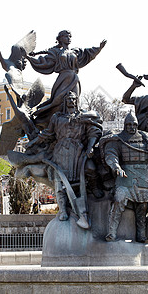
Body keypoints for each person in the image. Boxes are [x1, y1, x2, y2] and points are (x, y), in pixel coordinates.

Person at [27, 91, 102, 229]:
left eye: (73, 99)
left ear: (77, 101)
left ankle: (94, 190)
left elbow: (94, 130)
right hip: (61, 151)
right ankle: (62, 210)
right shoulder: (57, 117)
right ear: (65, 102)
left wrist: (90, 147)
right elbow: (48, 133)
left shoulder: (83, 116)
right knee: (59, 179)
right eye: (69, 99)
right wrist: (33, 142)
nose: (71, 101)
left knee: (90, 169)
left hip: (78, 151)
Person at [100, 112, 148, 243]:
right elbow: (111, 155)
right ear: (125, 125)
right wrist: (116, 167)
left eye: (134, 124)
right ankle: (112, 232)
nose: (131, 127)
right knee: (119, 199)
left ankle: (141, 235)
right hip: (125, 178)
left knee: (142, 208)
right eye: (129, 124)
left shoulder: (147, 139)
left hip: (143, 178)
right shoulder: (118, 140)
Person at [26, 30, 106, 129]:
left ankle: (73, 127)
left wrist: (99, 48)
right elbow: (44, 62)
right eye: (66, 36)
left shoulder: (75, 51)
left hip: (74, 79)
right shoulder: (56, 52)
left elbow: (87, 53)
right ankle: (48, 124)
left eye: (70, 36)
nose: (69, 38)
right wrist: (29, 58)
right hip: (62, 79)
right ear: (60, 39)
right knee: (58, 102)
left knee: (74, 102)